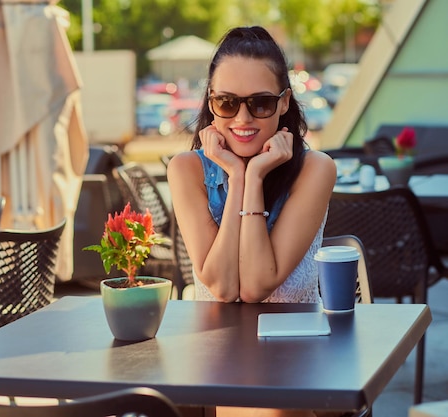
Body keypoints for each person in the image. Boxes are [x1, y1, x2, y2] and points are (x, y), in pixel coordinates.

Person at [167, 26, 337, 417]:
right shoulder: (185, 170)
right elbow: (224, 287)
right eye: (227, 102)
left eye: (260, 103)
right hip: (220, 360)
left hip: (301, 359)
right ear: (211, 103)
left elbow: (258, 284)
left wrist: (254, 176)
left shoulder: (316, 169)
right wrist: (241, 176)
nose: (242, 118)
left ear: (283, 103)